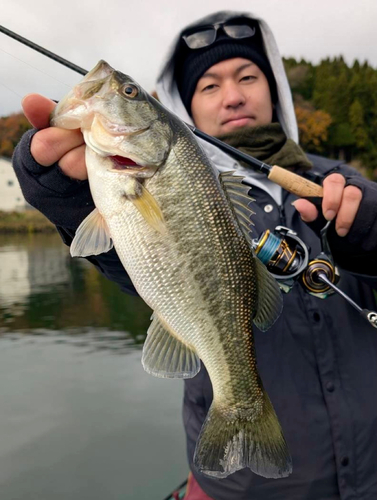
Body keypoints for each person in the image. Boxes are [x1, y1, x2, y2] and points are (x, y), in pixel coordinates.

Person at [12, 10, 377, 500]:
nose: (233, 95)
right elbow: (141, 265)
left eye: (248, 76)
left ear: (274, 88)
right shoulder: (147, 174)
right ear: (185, 107)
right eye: (209, 86)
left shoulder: (343, 188)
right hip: (242, 491)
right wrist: (73, 206)